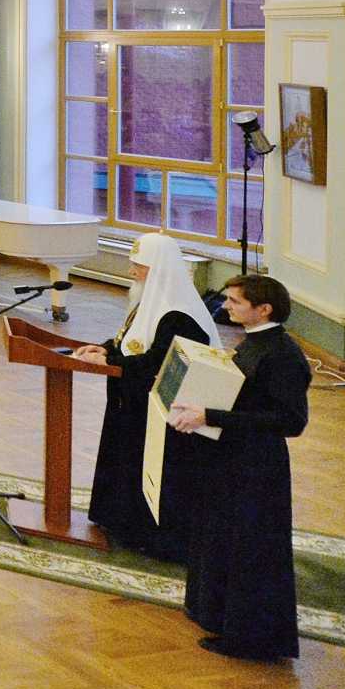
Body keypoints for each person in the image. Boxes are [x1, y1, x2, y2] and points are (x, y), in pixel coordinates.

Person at [171, 274, 311, 661]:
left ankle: (250, 638)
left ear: (263, 309)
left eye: (234, 301)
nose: (226, 306)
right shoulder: (255, 341)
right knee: (224, 537)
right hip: (231, 457)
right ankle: (218, 615)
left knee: (251, 549)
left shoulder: (282, 355)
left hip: (256, 466)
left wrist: (209, 415)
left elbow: (290, 421)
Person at [69, 232, 216, 559]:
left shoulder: (179, 314)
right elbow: (130, 339)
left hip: (159, 410)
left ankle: (150, 536)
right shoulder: (149, 302)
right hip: (131, 403)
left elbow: (160, 360)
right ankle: (119, 521)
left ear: (160, 270)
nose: (133, 272)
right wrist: (105, 348)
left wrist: (110, 361)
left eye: (140, 267)